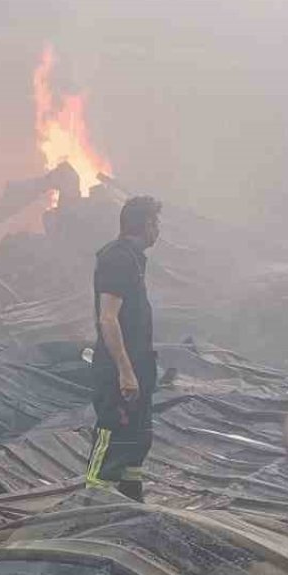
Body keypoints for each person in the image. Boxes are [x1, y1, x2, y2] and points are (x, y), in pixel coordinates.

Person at [85, 196, 162, 502]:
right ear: (145, 224)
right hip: (119, 368)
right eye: (156, 223)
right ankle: (93, 503)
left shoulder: (132, 258)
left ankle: (132, 500)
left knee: (136, 438)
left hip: (139, 363)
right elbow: (108, 318)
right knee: (112, 433)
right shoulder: (117, 259)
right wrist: (125, 372)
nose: (159, 230)